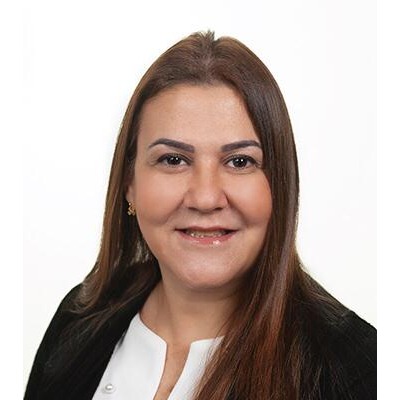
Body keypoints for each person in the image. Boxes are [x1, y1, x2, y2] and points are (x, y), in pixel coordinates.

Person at [24, 31, 376, 400]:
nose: (206, 198)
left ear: (280, 186)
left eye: (239, 162)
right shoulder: (79, 319)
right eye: (173, 160)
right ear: (129, 183)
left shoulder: (360, 373)